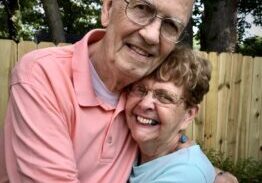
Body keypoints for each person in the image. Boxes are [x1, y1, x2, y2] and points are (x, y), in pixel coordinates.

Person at [1, 0, 195, 182]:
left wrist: (207, 171)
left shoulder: (140, 96)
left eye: (171, 25)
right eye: (142, 8)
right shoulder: (43, 75)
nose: (152, 36)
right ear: (107, 8)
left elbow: (172, 147)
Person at [125, 46, 215, 182]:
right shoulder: (127, 144)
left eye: (164, 97)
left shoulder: (186, 174)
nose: (144, 104)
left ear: (188, 115)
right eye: (140, 89)